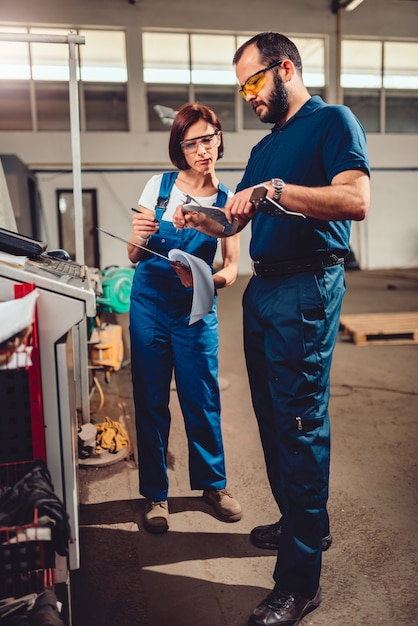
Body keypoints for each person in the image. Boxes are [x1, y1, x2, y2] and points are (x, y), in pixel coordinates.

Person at [173, 33, 370, 626]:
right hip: (264, 287)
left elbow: (355, 200)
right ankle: (304, 520)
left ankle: (299, 582)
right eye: (243, 87)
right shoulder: (262, 151)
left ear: (285, 68)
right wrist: (196, 218)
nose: (249, 95)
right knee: (270, 414)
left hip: (307, 285)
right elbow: (240, 217)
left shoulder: (332, 121)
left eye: (255, 81)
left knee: (300, 422)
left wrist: (277, 191)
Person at [127, 103, 242, 535]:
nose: (202, 149)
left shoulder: (230, 201)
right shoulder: (158, 187)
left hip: (196, 307)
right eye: (191, 142)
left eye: (208, 139)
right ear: (180, 147)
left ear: (218, 140)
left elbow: (231, 267)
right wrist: (139, 239)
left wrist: (206, 279)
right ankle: (156, 494)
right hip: (150, 305)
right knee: (152, 399)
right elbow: (133, 255)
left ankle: (214, 486)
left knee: (202, 397)